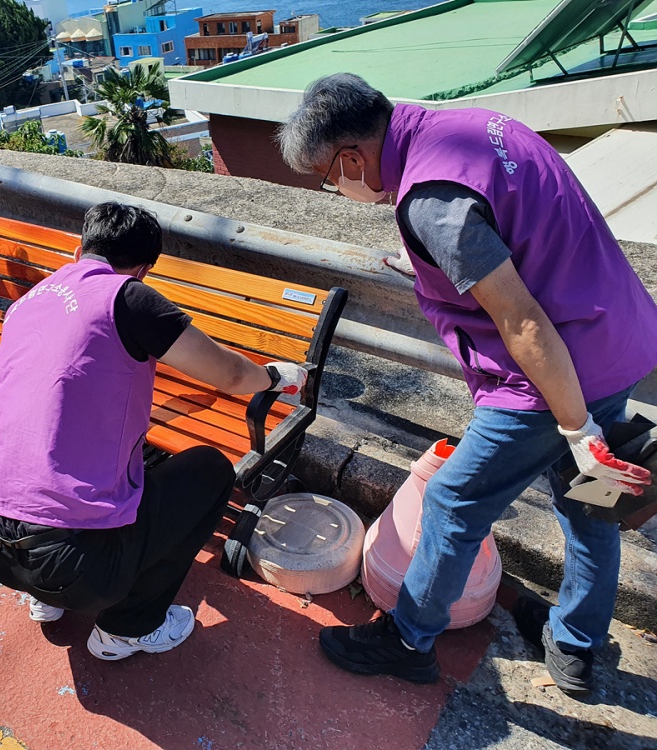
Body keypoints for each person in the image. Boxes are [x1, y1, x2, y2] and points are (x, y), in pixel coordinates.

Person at [277, 73, 657, 693]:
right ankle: (578, 643)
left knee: (453, 503)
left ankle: (407, 640)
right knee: (590, 506)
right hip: (613, 335)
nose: (335, 187)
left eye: (328, 177)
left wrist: (575, 425)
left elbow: (523, 321)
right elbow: (518, 230)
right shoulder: (474, 126)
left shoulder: (430, 202)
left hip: (550, 375)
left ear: (351, 157)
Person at [0, 202, 308, 660]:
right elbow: (229, 375)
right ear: (144, 268)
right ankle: (128, 628)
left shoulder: (30, 300)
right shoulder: (128, 298)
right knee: (209, 470)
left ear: (79, 247)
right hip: (72, 564)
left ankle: (45, 598)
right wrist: (276, 374)